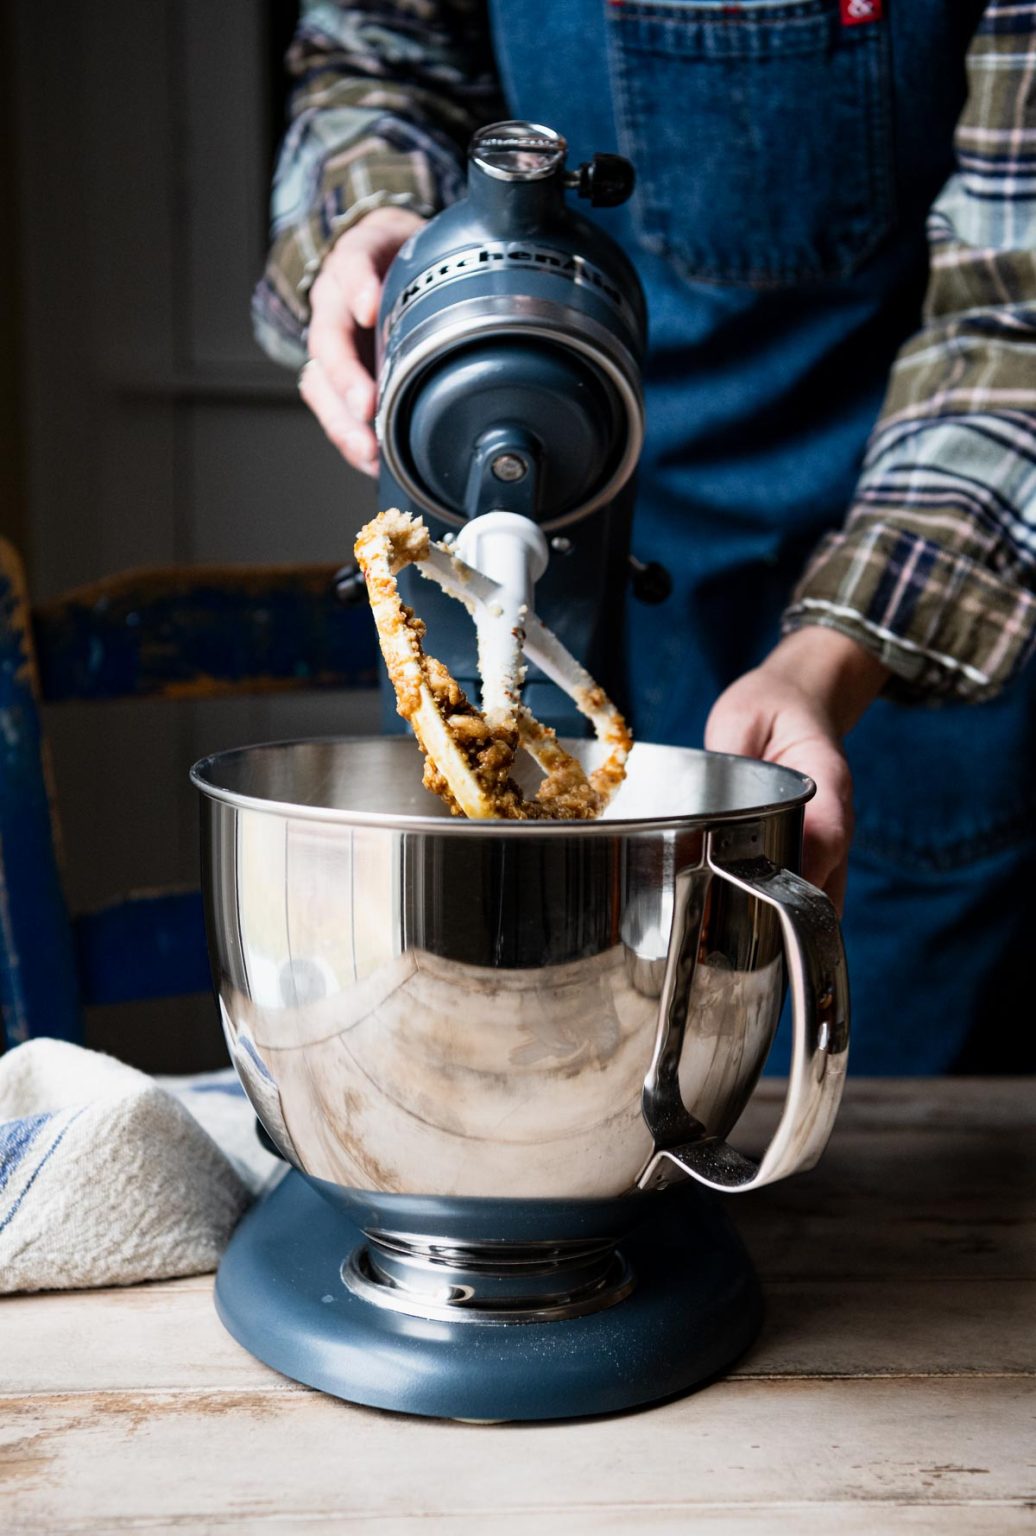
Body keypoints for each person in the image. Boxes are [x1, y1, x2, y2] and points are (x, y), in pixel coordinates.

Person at [254, 0, 1036, 1072]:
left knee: (853, 1140)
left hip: (904, 611)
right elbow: (375, 61)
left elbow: (1014, 319)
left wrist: (831, 659)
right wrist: (371, 213)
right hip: (563, 578)